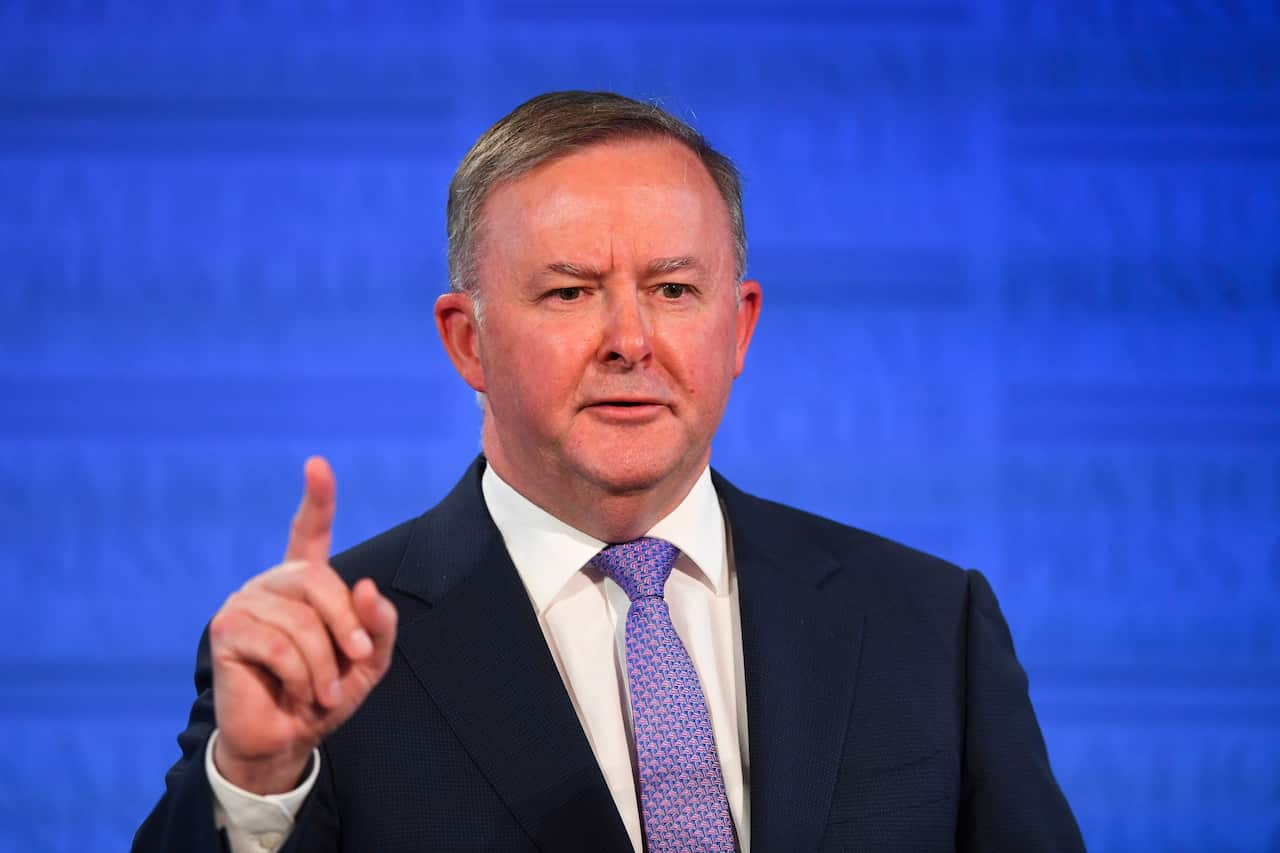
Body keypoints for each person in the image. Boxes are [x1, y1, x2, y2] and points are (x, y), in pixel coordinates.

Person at [133, 91, 1084, 853]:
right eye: (570, 291)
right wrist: (256, 785)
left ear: (740, 325)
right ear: (467, 341)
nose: (631, 339)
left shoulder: (931, 625)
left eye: (674, 289)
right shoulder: (325, 651)